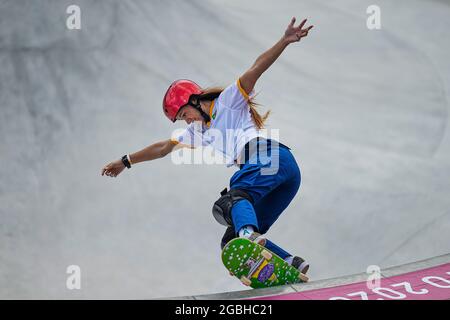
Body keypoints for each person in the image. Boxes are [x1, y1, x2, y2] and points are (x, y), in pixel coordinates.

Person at [101, 17, 314, 275]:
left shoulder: (228, 101)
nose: (186, 121)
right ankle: (291, 263)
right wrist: (126, 161)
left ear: (193, 100)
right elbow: (163, 148)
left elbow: (256, 68)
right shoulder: (199, 131)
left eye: (183, 115)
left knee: (234, 198)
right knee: (230, 241)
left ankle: (249, 236)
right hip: (284, 178)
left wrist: (284, 41)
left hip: (269, 157)